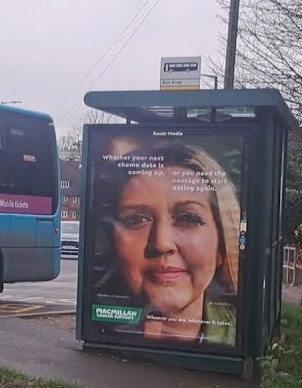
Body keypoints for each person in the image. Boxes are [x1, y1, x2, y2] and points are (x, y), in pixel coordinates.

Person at [90, 140, 240, 346]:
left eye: (188, 218)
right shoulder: (99, 325)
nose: (162, 243)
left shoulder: (242, 331)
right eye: (136, 219)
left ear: (221, 246)